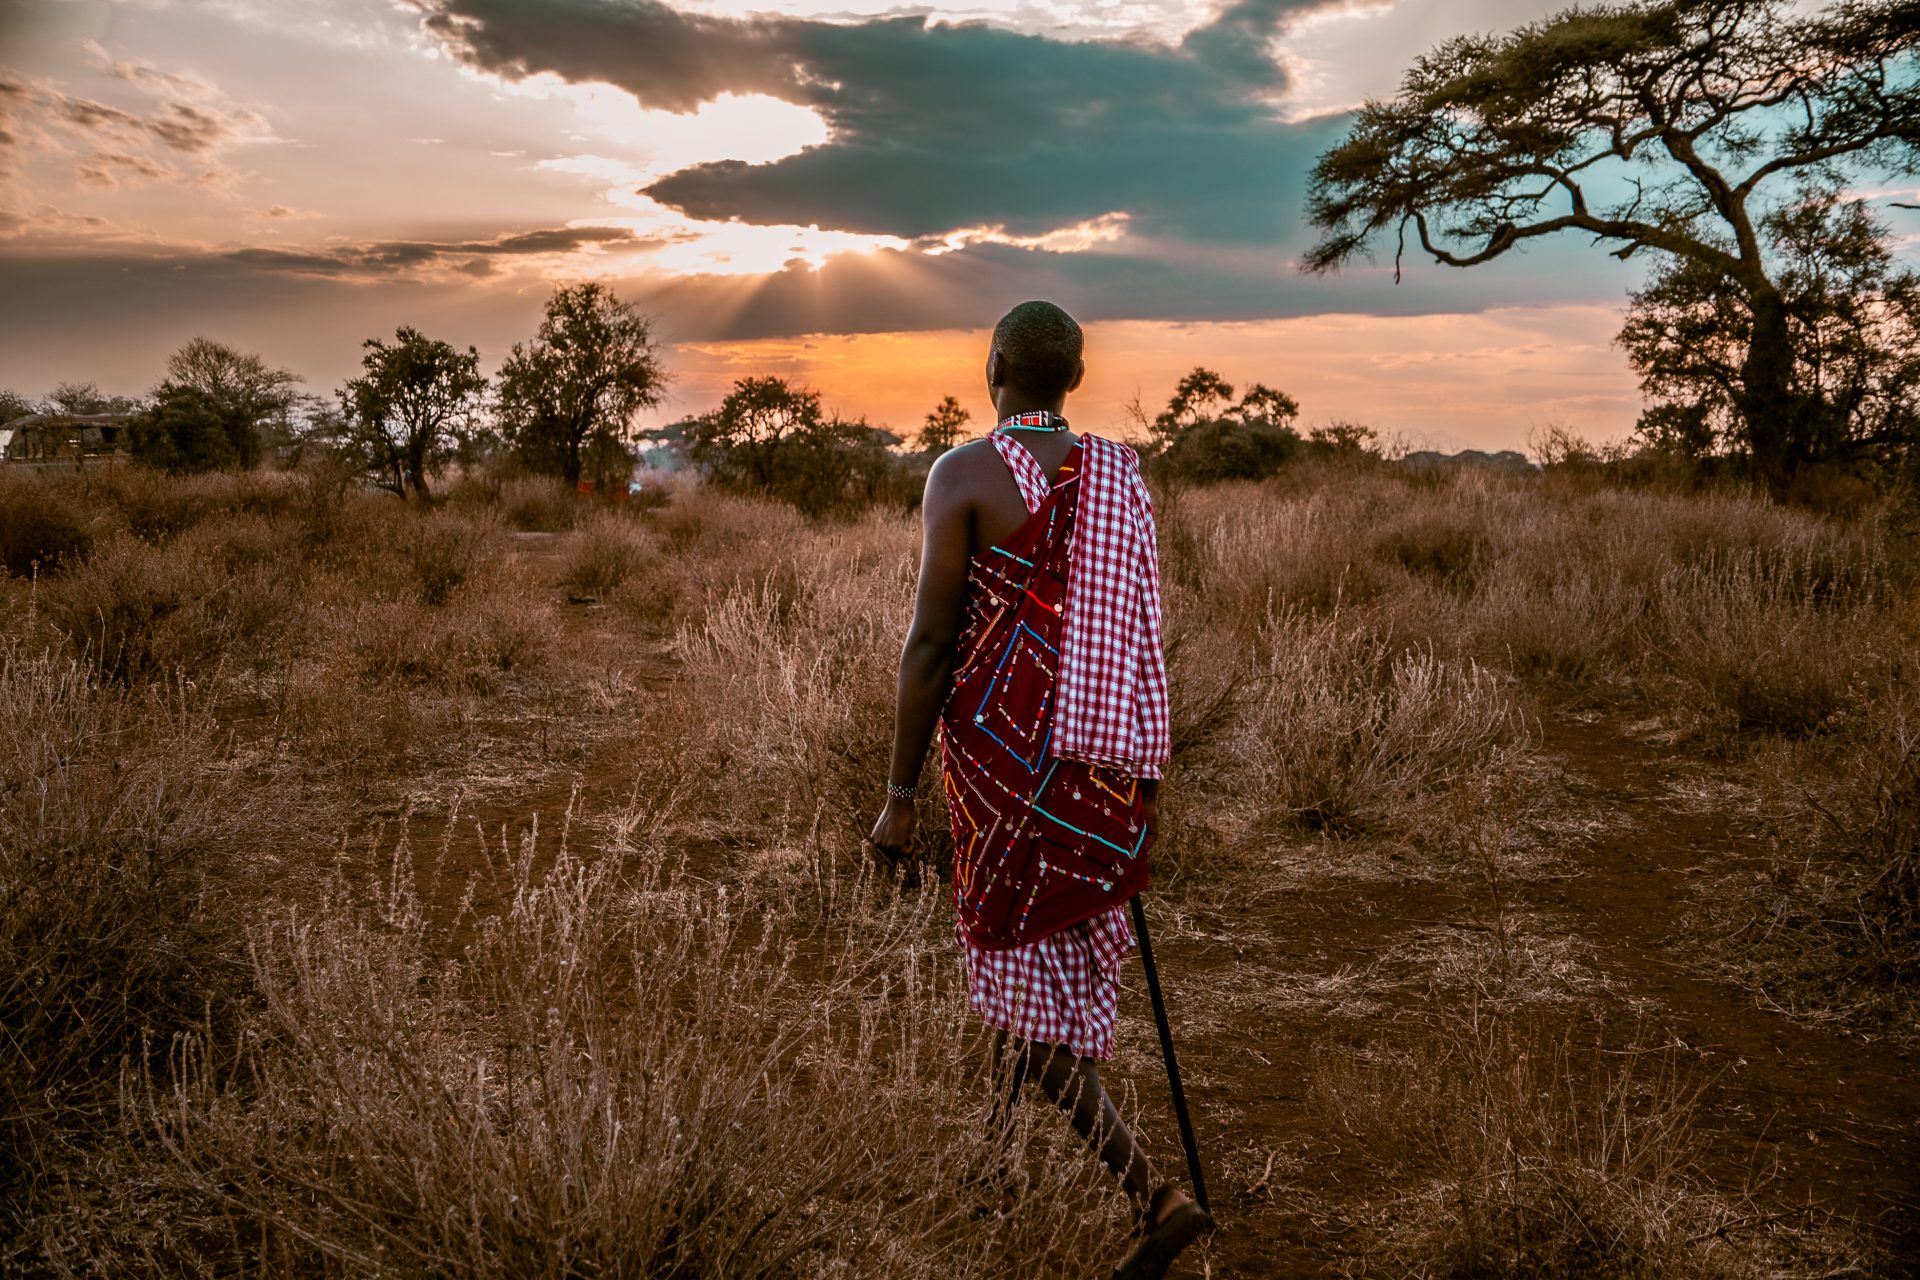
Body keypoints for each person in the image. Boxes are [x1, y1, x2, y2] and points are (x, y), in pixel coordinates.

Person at [869, 301, 1211, 1278]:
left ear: (999, 364)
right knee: (1041, 963)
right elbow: (1134, 632)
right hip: (1105, 768)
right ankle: (996, 1166)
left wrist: (899, 790)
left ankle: (1155, 1192)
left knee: (1023, 987)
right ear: (1072, 373)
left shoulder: (964, 474)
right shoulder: (1120, 479)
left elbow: (933, 641)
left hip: (1004, 771)